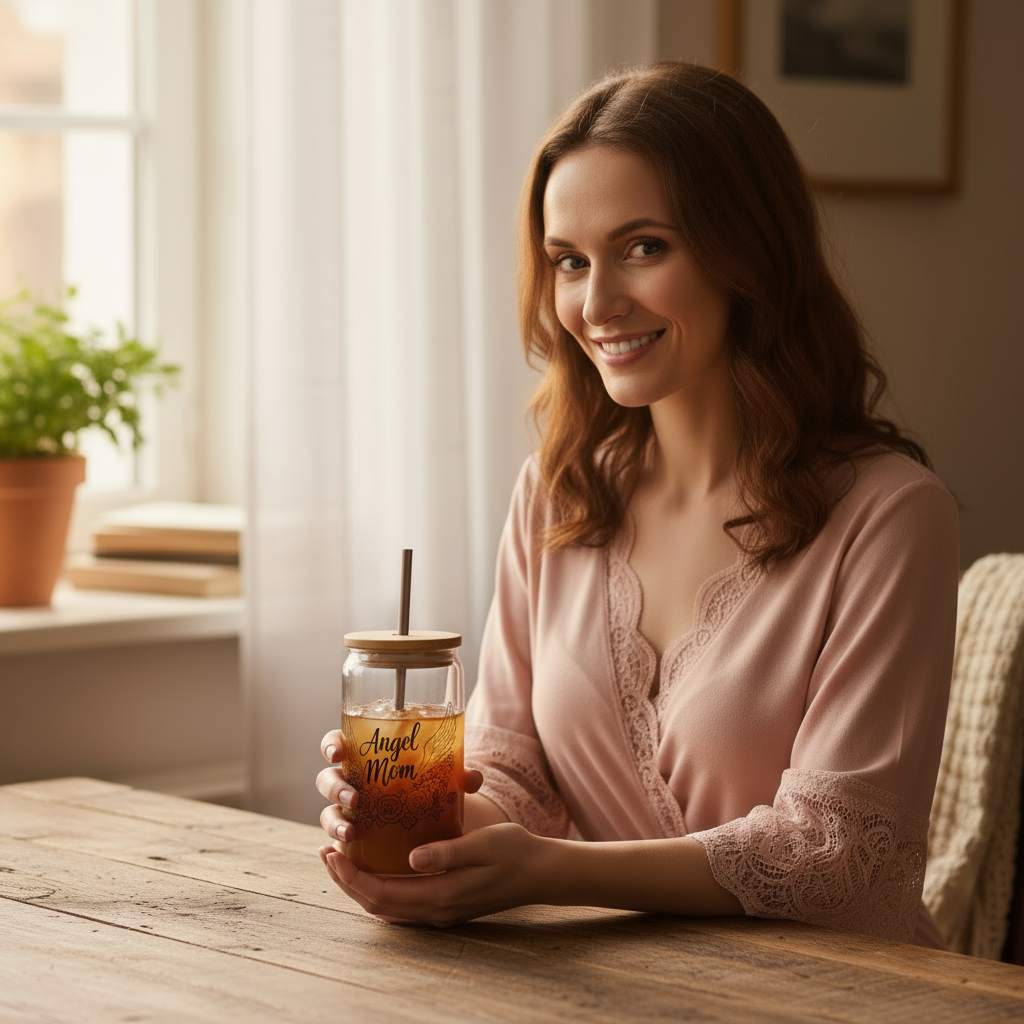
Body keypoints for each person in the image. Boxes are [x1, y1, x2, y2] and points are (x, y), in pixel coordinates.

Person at [315, 61, 958, 945]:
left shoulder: (892, 515)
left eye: (644, 247)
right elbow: (515, 773)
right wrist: (423, 825)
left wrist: (548, 870)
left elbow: (839, 856)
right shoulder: (558, 491)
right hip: (614, 989)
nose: (597, 302)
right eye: (568, 262)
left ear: (748, 251)